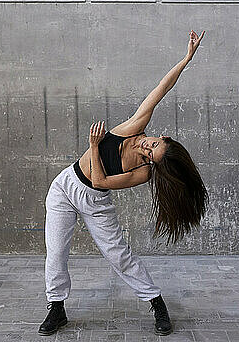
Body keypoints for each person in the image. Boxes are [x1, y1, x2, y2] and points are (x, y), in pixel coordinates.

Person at [39, 30, 208, 336]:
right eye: (153, 145)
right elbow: (162, 88)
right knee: (56, 252)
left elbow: (100, 179)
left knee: (119, 255)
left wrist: (94, 146)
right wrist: (187, 58)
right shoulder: (135, 127)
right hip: (64, 187)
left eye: (151, 155)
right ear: (162, 137)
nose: (147, 148)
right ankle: (56, 308)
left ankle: (156, 303)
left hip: (94, 198)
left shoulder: (142, 172)